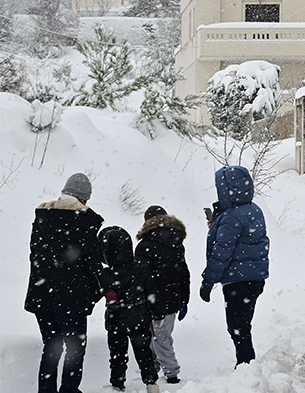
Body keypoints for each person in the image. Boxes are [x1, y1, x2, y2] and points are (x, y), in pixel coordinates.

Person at [25, 172, 104, 393]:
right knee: (74, 349)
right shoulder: (85, 220)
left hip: (43, 295)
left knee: (51, 347)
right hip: (72, 298)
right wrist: (100, 289)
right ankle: (69, 390)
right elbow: (92, 263)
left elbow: (35, 256)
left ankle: (46, 390)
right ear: (85, 197)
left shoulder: (42, 217)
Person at [199, 165, 269, 366]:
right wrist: (217, 226)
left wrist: (207, 283)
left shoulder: (231, 217)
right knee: (242, 325)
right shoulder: (253, 210)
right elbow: (246, 240)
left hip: (238, 281)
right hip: (253, 278)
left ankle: (246, 367)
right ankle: (247, 366)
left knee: (237, 326)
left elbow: (222, 253)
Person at [98, 226, 161, 393]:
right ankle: (151, 383)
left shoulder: (104, 274)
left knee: (117, 353)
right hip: (139, 314)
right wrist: (158, 313)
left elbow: (95, 294)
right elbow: (152, 292)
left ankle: (117, 384)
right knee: (144, 351)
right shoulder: (141, 267)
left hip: (115, 317)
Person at [135, 205, 190, 384]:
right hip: (172, 299)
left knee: (156, 337)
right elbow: (183, 273)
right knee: (162, 335)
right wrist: (184, 299)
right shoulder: (176, 242)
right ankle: (156, 366)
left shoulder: (144, 246)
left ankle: (171, 373)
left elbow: (141, 277)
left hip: (151, 299)